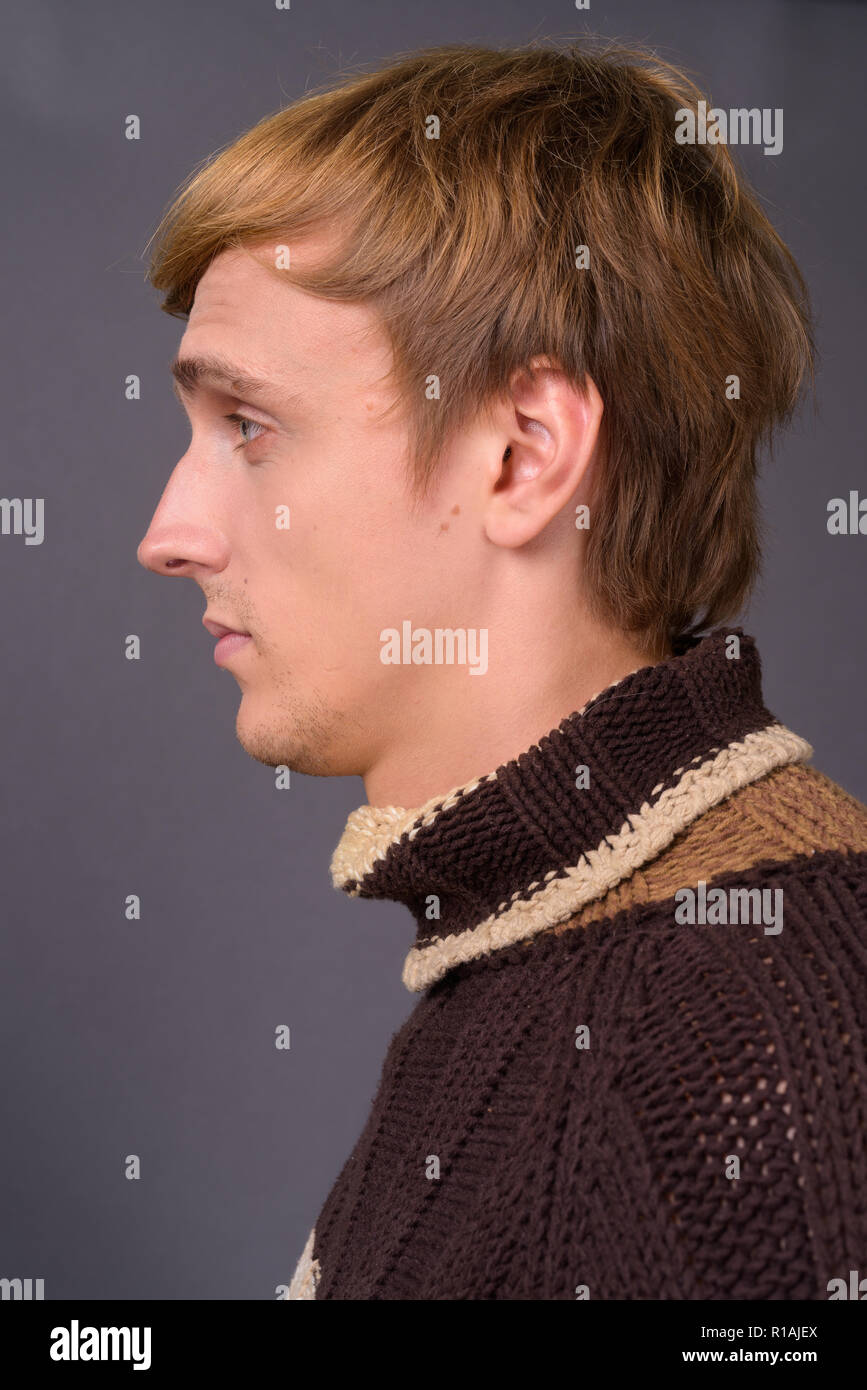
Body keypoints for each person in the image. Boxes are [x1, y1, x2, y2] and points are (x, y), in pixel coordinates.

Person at [136, 42, 867, 1299]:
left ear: (525, 456)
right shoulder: (544, 958)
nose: (167, 533)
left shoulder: (744, 1048)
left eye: (248, 427)